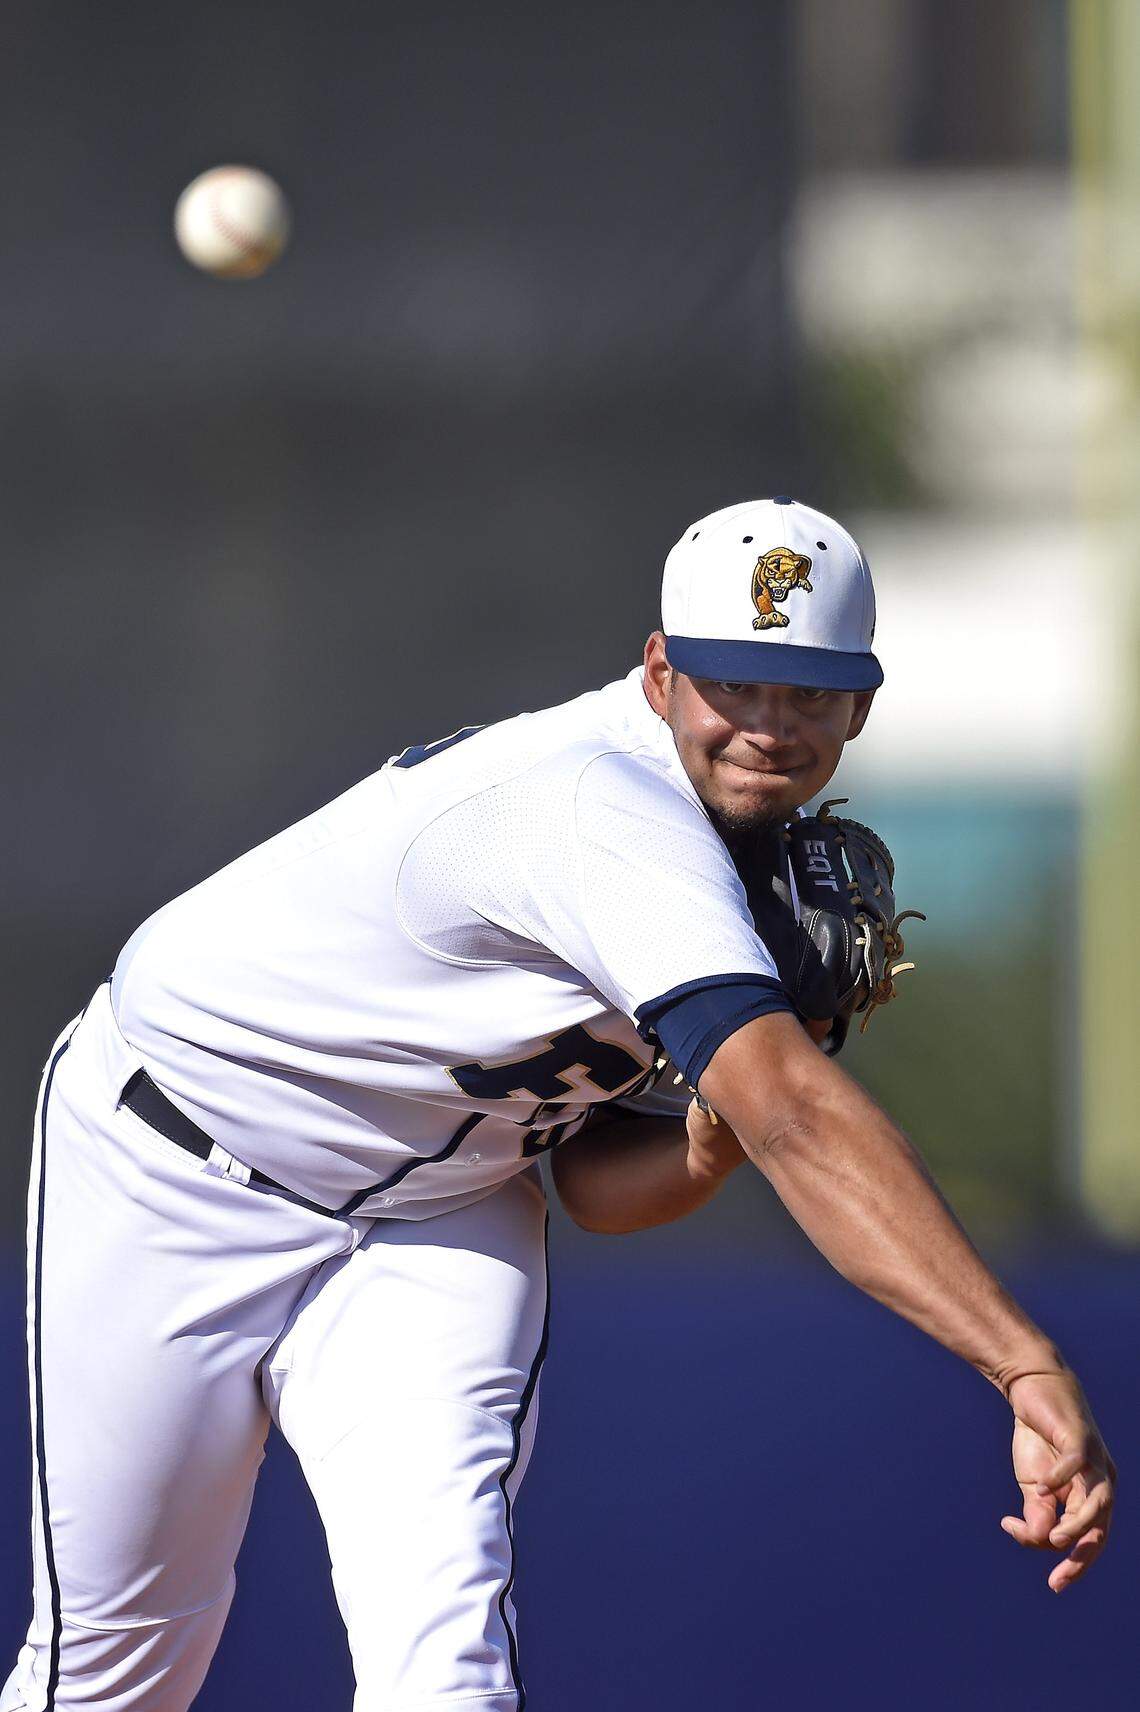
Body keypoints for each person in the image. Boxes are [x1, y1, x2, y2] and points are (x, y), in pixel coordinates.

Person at [5, 497, 1114, 1712]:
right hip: (176, 1156)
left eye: (808, 693)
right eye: (734, 682)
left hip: (436, 1212)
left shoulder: (734, 860)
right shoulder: (599, 809)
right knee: (115, 1670)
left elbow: (593, 1183)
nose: (769, 726)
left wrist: (708, 1137)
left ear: (858, 704)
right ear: (659, 673)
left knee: (450, 1674)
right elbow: (797, 1110)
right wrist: (1022, 1360)